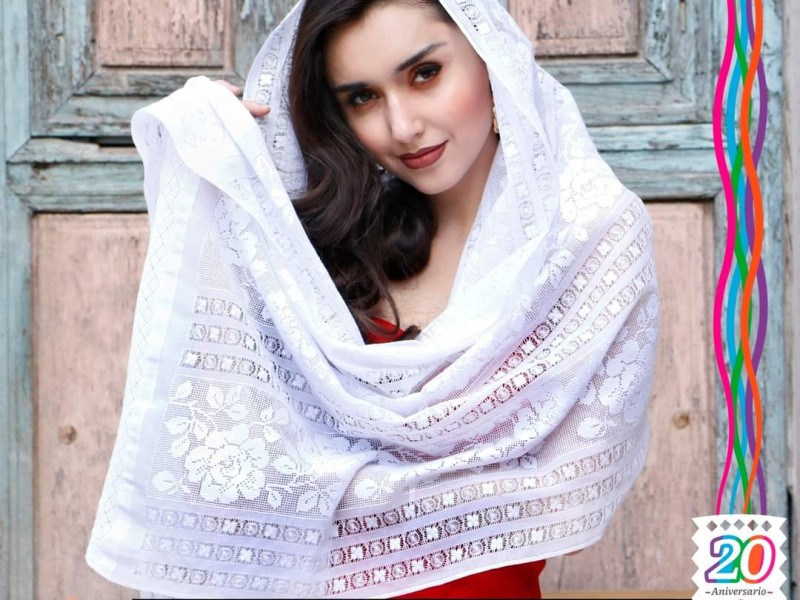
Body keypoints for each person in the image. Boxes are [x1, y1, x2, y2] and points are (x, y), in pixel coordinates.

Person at [86, 0, 660, 598]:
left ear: (491, 55)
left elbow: (565, 501)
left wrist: (334, 485)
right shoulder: (323, 250)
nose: (402, 126)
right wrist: (215, 171)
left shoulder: (591, 241)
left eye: (425, 74)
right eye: (362, 97)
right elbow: (222, 467)